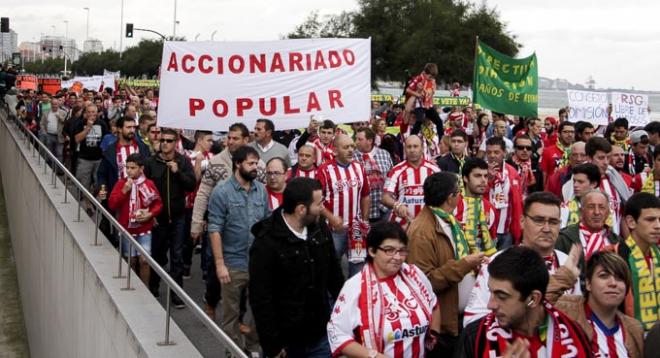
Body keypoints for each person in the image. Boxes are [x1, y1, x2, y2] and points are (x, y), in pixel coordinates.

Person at [250, 178, 344, 358]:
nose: (322, 208)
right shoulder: (266, 242)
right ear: (301, 209)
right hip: (286, 342)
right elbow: (261, 299)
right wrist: (272, 346)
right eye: (319, 204)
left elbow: (335, 277)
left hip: (321, 335)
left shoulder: (320, 230)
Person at [463, 192, 582, 327]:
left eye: (553, 222)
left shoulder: (567, 262)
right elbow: (472, 320)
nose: (547, 228)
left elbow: (575, 318)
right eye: (539, 220)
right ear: (522, 221)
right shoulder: (498, 262)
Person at [455, 246, 593, 358]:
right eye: (490, 292)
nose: (490, 305)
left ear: (533, 299)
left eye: (502, 296)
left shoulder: (575, 335)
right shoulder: (475, 337)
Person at [328, 222, 441, 358]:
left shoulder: (414, 275)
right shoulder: (355, 286)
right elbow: (338, 334)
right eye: (389, 250)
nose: (397, 257)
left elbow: (433, 304)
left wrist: (433, 335)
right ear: (372, 251)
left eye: (402, 250)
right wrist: (374, 356)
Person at [407, 172, 486, 355]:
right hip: (442, 327)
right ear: (451, 197)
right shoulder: (422, 232)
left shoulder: (447, 220)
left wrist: (473, 265)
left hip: (459, 320)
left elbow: (453, 257)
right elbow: (424, 282)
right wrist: (464, 265)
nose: (460, 196)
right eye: (458, 192)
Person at [207, 145, 269, 354]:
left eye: (257, 164)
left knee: (261, 310)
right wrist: (219, 264)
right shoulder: (221, 191)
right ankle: (234, 352)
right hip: (233, 263)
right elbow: (214, 229)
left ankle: (252, 346)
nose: (255, 168)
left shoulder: (261, 189)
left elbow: (266, 225)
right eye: (251, 164)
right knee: (231, 314)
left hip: (258, 262)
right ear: (238, 164)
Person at [547, 251, 645, 358]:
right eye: (604, 276)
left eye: (620, 278)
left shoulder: (635, 329)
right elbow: (534, 306)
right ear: (588, 284)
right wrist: (565, 277)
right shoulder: (564, 311)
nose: (613, 283)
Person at [143, 128, 197, 306]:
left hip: (178, 217)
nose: (164, 143)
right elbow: (145, 189)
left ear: (175, 143)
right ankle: (153, 287)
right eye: (162, 140)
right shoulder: (151, 162)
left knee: (177, 255)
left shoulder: (183, 161)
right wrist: (151, 213)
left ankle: (176, 293)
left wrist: (177, 172)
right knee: (157, 254)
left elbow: (191, 185)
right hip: (158, 218)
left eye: (168, 141)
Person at [316, 134, 371, 276]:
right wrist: (331, 217)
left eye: (352, 146)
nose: (351, 150)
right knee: (331, 268)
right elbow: (316, 200)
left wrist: (364, 220)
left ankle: (356, 297)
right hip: (333, 230)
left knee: (358, 269)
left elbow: (365, 194)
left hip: (356, 228)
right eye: (346, 147)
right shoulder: (324, 170)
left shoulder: (359, 167)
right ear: (335, 150)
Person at [107, 153, 162, 285]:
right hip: (127, 228)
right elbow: (112, 204)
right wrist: (124, 191)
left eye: (133, 168)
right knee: (131, 260)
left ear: (141, 168)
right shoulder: (121, 184)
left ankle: (145, 289)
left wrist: (150, 214)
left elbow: (158, 203)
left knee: (144, 260)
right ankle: (131, 286)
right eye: (128, 167)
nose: (129, 171)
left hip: (144, 228)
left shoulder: (149, 183)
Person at [612, 192, 660, 332]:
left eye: (659, 219)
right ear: (631, 222)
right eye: (650, 220)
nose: (658, 226)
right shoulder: (614, 257)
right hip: (629, 340)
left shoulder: (657, 253)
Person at [557, 190, 621, 283]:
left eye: (602, 207)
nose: (597, 212)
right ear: (581, 211)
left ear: (608, 212)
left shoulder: (617, 242)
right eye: (591, 207)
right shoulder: (564, 238)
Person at [382, 135, 440, 228]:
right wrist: (397, 205)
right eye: (409, 147)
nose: (412, 150)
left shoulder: (434, 170)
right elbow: (385, 197)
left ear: (422, 148)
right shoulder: (396, 170)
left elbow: (442, 195)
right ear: (405, 149)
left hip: (428, 225)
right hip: (402, 225)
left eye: (415, 146)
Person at [584, 137, 632, 236]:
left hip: (615, 244)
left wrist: (629, 246)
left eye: (608, 157)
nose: (606, 162)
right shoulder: (581, 183)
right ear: (589, 158)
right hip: (589, 244)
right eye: (601, 158)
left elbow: (623, 215)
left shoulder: (616, 181)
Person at [97, 116, 151, 200]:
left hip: (141, 196)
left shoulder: (143, 148)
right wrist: (102, 189)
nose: (132, 130)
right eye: (128, 127)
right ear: (119, 129)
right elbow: (102, 174)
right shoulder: (110, 151)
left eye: (134, 127)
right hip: (119, 195)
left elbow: (149, 170)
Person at [484, 136, 523, 248]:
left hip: (507, 230)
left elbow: (517, 203)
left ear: (504, 153)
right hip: (486, 229)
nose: (492, 156)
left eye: (496, 152)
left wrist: (518, 229)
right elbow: (476, 197)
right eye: (489, 152)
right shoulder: (480, 171)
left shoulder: (513, 172)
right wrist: (489, 180)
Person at [454, 158, 497, 256]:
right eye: (477, 176)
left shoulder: (490, 209)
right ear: (465, 178)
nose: (483, 181)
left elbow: (492, 242)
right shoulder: (453, 204)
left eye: (485, 176)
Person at [354, 127, 393, 222]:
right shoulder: (352, 157)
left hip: (384, 209)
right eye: (356, 139)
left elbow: (391, 176)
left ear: (370, 140)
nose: (356, 142)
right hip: (361, 211)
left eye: (360, 139)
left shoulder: (384, 154)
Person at [73, 104, 109, 194]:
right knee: (84, 183)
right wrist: (88, 127)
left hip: (99, 159)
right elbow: (77, 139)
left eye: (93, 112)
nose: (91, 114)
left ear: (97, 113)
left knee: (99, 183)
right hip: (85, 159)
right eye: (89, 112)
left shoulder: (102, 124)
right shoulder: (80, 123)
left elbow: (106, 140)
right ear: (86, 113)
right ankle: (87, 204)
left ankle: (94, 199)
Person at [559, 163, 601, 228]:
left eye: (580, 182)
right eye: (574, 181)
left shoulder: (606, 208)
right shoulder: (565, 208)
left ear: (593, 184)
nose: (575, 185)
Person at [40, 97, 68, 164]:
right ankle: (50, 166)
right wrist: (44, 132)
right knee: (49, 152)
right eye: (52, 104)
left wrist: (60, 117)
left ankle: (59, 169)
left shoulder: (63, 112)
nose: (54, 106)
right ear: (50, 104)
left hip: (59, 136)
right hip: (49, 135)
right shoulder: (46, 112)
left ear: (58, 104)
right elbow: (42, 123)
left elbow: (66, 123)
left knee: (59, 153)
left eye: (55, 104)